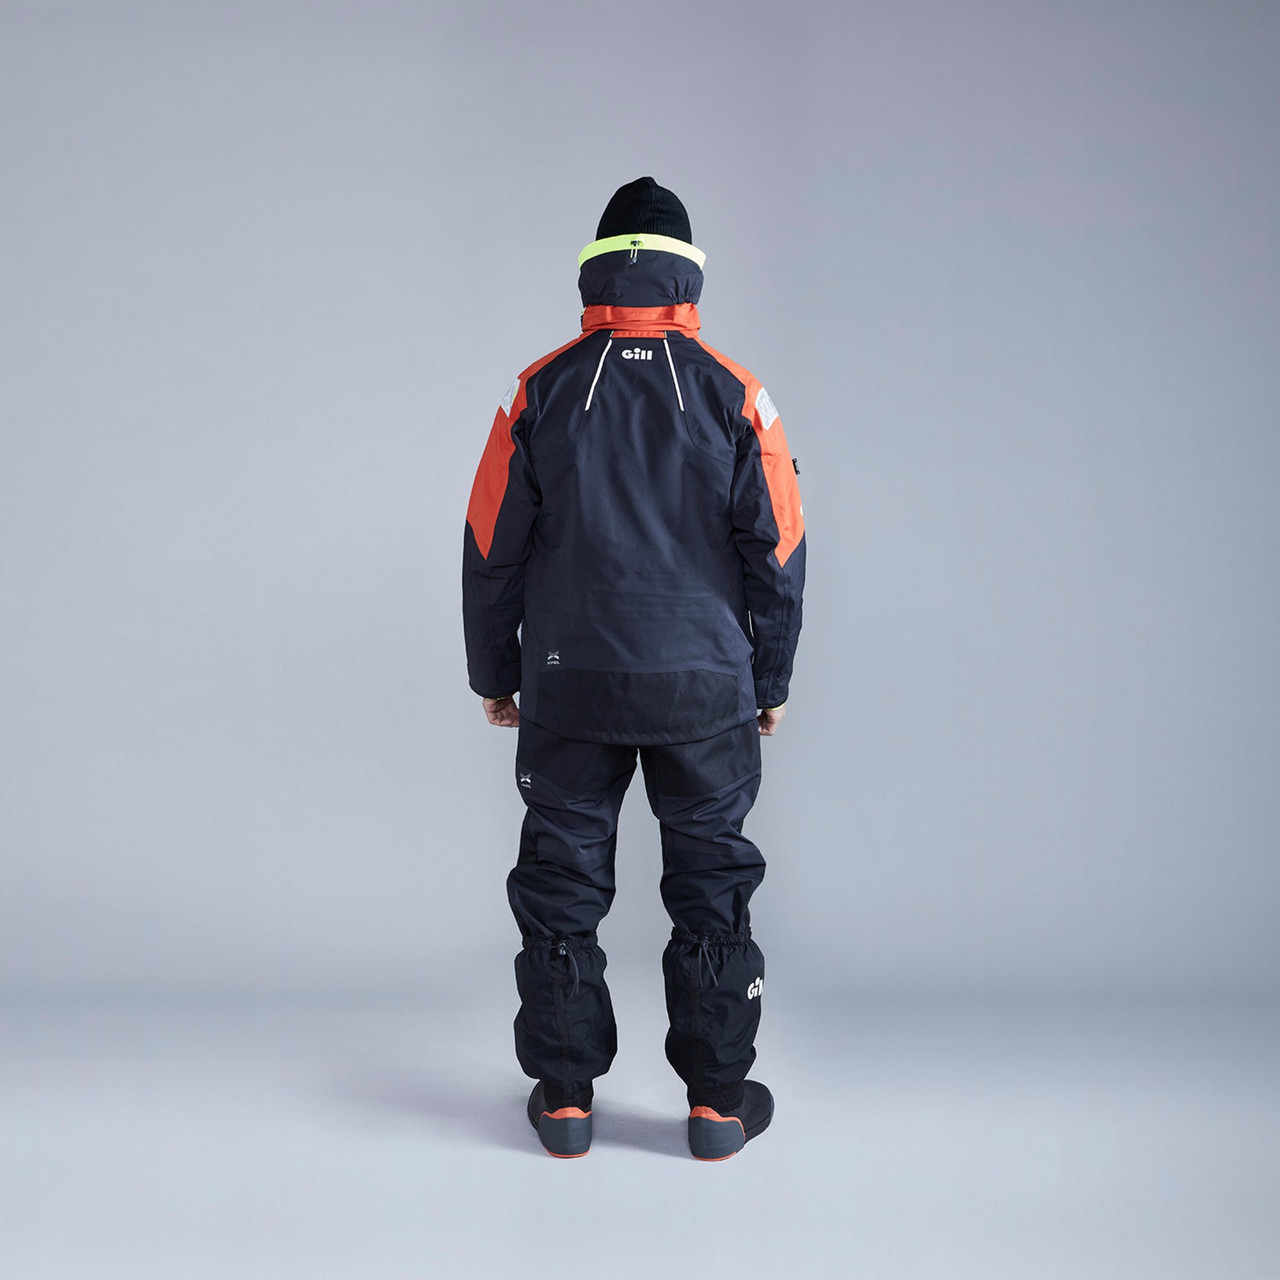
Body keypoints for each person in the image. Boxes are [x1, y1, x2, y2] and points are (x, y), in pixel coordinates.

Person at [462, 177, 805, 1161]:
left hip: (570, 680)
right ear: (688, 275)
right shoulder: (737, 392)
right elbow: (778, 548)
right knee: (711, 884)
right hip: (704, 684)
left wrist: (495, 671)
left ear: (597, 270)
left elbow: (490, 544)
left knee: (560, 882)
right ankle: (717, 1104)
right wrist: (770, 680)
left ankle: (566, 1100)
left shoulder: (538, 391)